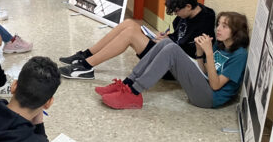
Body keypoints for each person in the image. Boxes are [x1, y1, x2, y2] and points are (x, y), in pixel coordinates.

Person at [96, 12, 249, 110]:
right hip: (203, 85)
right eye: (219, 24)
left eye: (225, 26)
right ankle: (128, 84)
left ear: (236, 32)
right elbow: (205, 72)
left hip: (209, 99)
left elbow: (215, 86)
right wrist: (200, 52)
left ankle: (134, 93)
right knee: (166, 43)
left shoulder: (239, 56)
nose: (218, 29)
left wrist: (209, 53)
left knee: (172, 49)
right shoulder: (220, 45)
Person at [59, 0, 215, 80]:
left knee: (130, 35)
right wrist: (167, 37)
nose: (176, 14)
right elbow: (178, 36)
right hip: (168, 48)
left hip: (176, 65)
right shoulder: (189, 11)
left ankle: (86, 66)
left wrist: (167, 42)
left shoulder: (205, 21)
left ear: (188, 6)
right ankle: (86, 55)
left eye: (177, 11)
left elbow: (191, 53)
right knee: (128, 24)